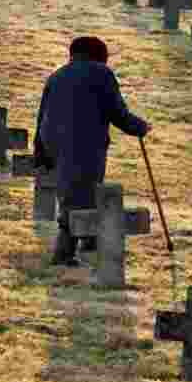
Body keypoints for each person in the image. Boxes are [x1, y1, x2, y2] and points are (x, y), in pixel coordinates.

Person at [32, 36, 152, 266]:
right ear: (100, 55)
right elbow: (117, 112)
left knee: (74, 192)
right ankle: (64, 254)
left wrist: (41, 153)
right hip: (84, 142)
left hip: (54, 142)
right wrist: (139, 127)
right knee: (79, 195)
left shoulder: (57, 76)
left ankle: (90, 243)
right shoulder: (101, 74)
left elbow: (42, 116)